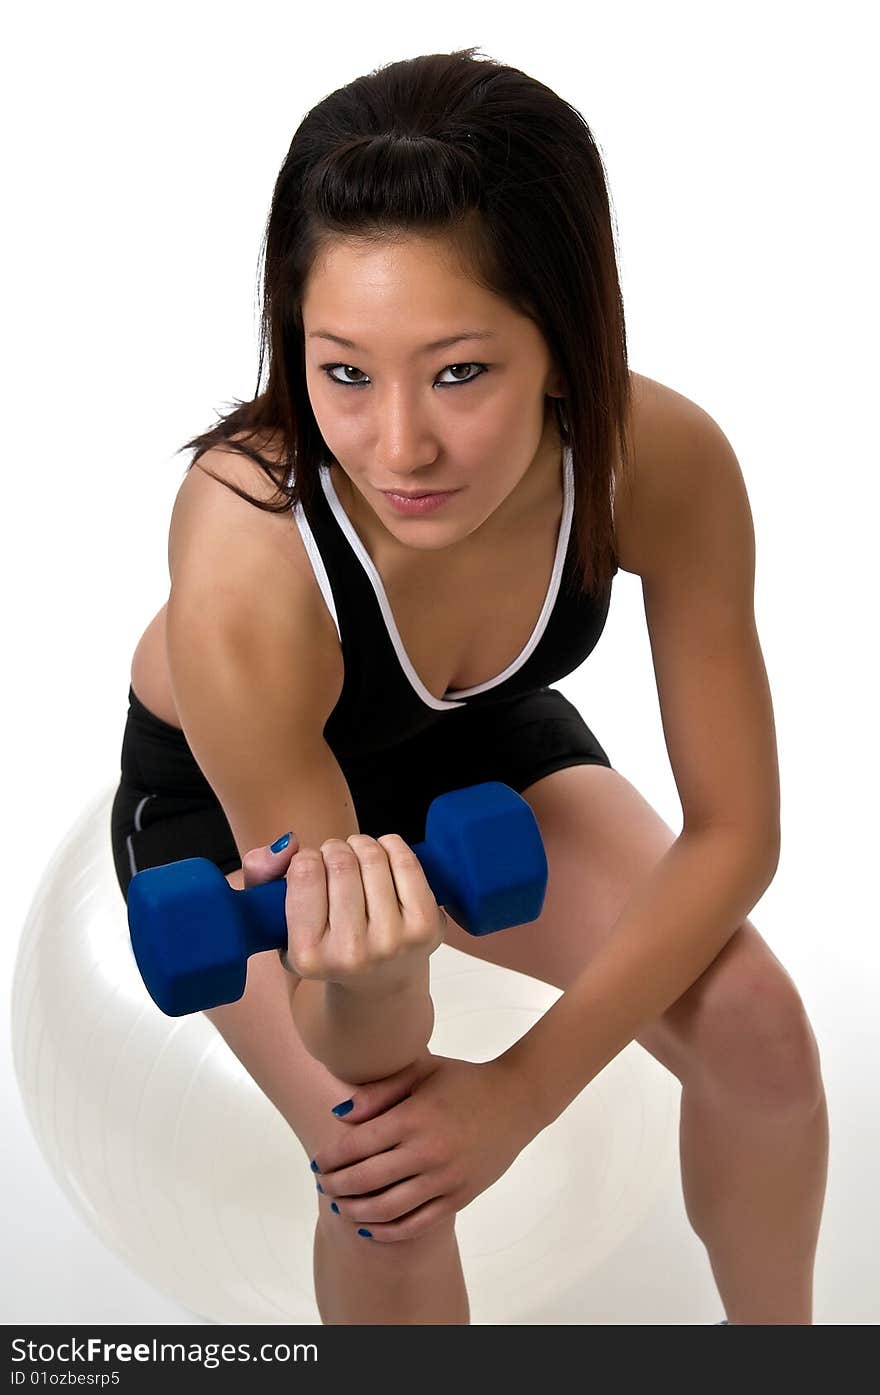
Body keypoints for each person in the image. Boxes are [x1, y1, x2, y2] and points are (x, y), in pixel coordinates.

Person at [110, 47, 828, 1326]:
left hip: (475, 744)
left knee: (762, 1034)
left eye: (458, 372)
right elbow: (356, 1028)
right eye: (343, 372)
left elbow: (736, 832)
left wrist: (523, 1091)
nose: (401, 447)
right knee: (386, 1175)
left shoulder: (658, 459)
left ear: (566, 336)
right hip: (235, 819)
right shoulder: (246, 556)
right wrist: (399, 1023)